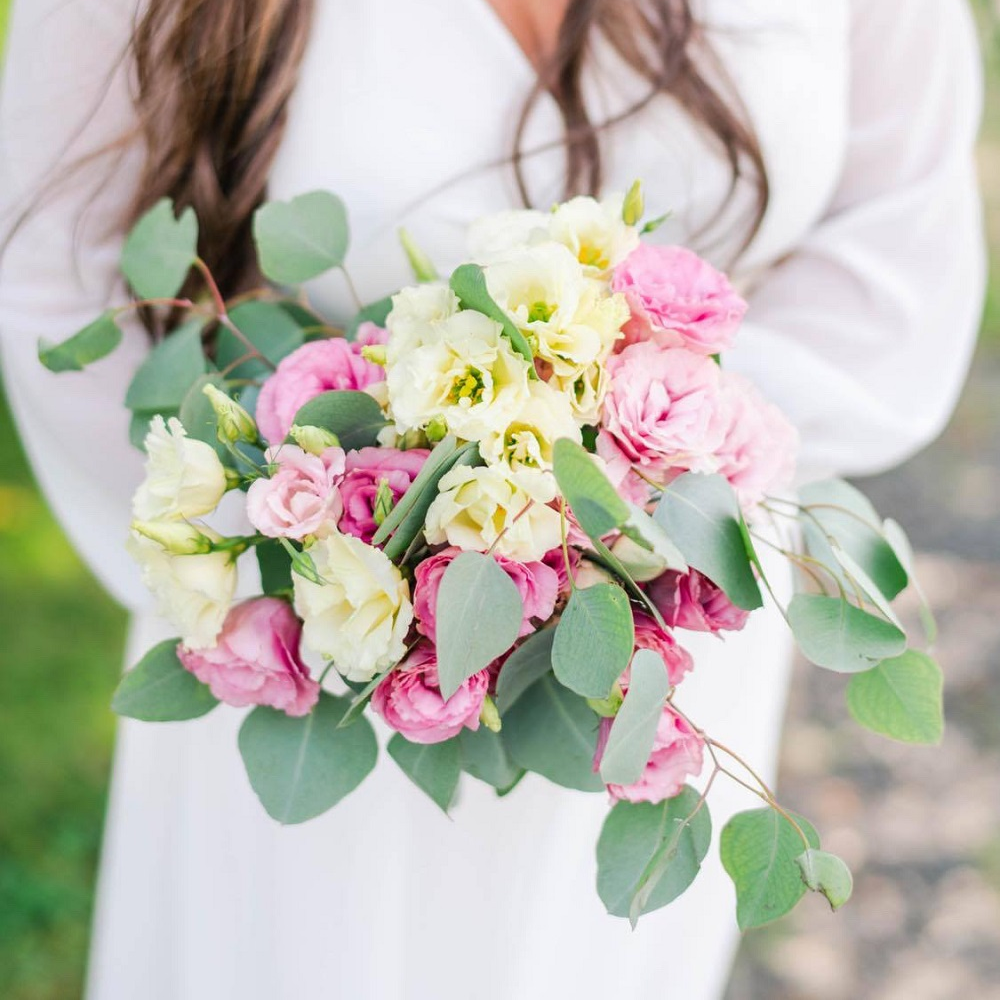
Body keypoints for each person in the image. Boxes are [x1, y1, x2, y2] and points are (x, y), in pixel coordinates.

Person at [0, 1, 984, 998]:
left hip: (659, 632)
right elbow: (54, 265)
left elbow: (896, 237)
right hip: (323, 630)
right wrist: (280, 547)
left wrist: (646, 473)